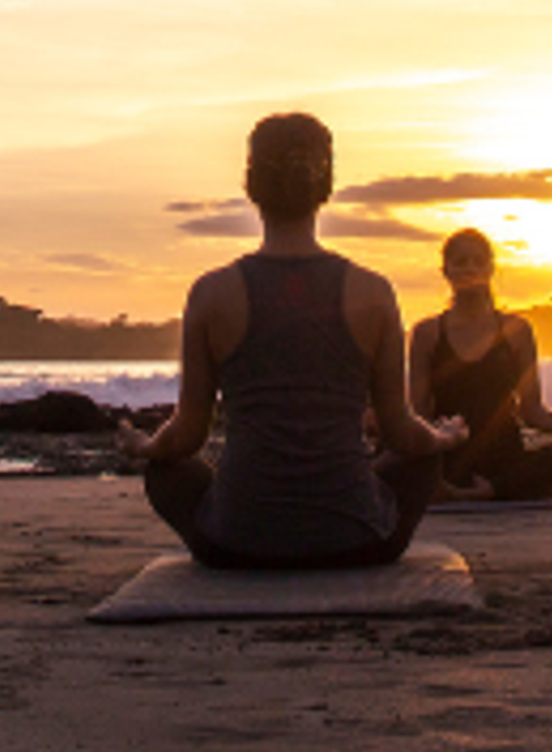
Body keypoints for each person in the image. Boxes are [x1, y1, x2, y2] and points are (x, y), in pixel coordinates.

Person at [120, 111, 455, 568]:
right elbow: (402, 432)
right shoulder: (373, 292)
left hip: (237, 545)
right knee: (422, 461)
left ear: (250, 185)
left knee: (166, 474)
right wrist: (443, 437)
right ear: (326, 187)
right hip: (359, 542)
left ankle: (258, 520)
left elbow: (186, 437)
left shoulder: (211, 293)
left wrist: (145, 448)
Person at [409, 229, 552, 502]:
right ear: (447, 271)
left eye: (478, 261)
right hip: (450, 458)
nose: (470, 268)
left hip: (504, 457)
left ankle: (486, 492)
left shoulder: (516, 330)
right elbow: (418, 414)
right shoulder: (427, 333)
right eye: (461, 261)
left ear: (491, 269)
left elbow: (533, 412)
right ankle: (508, 489)